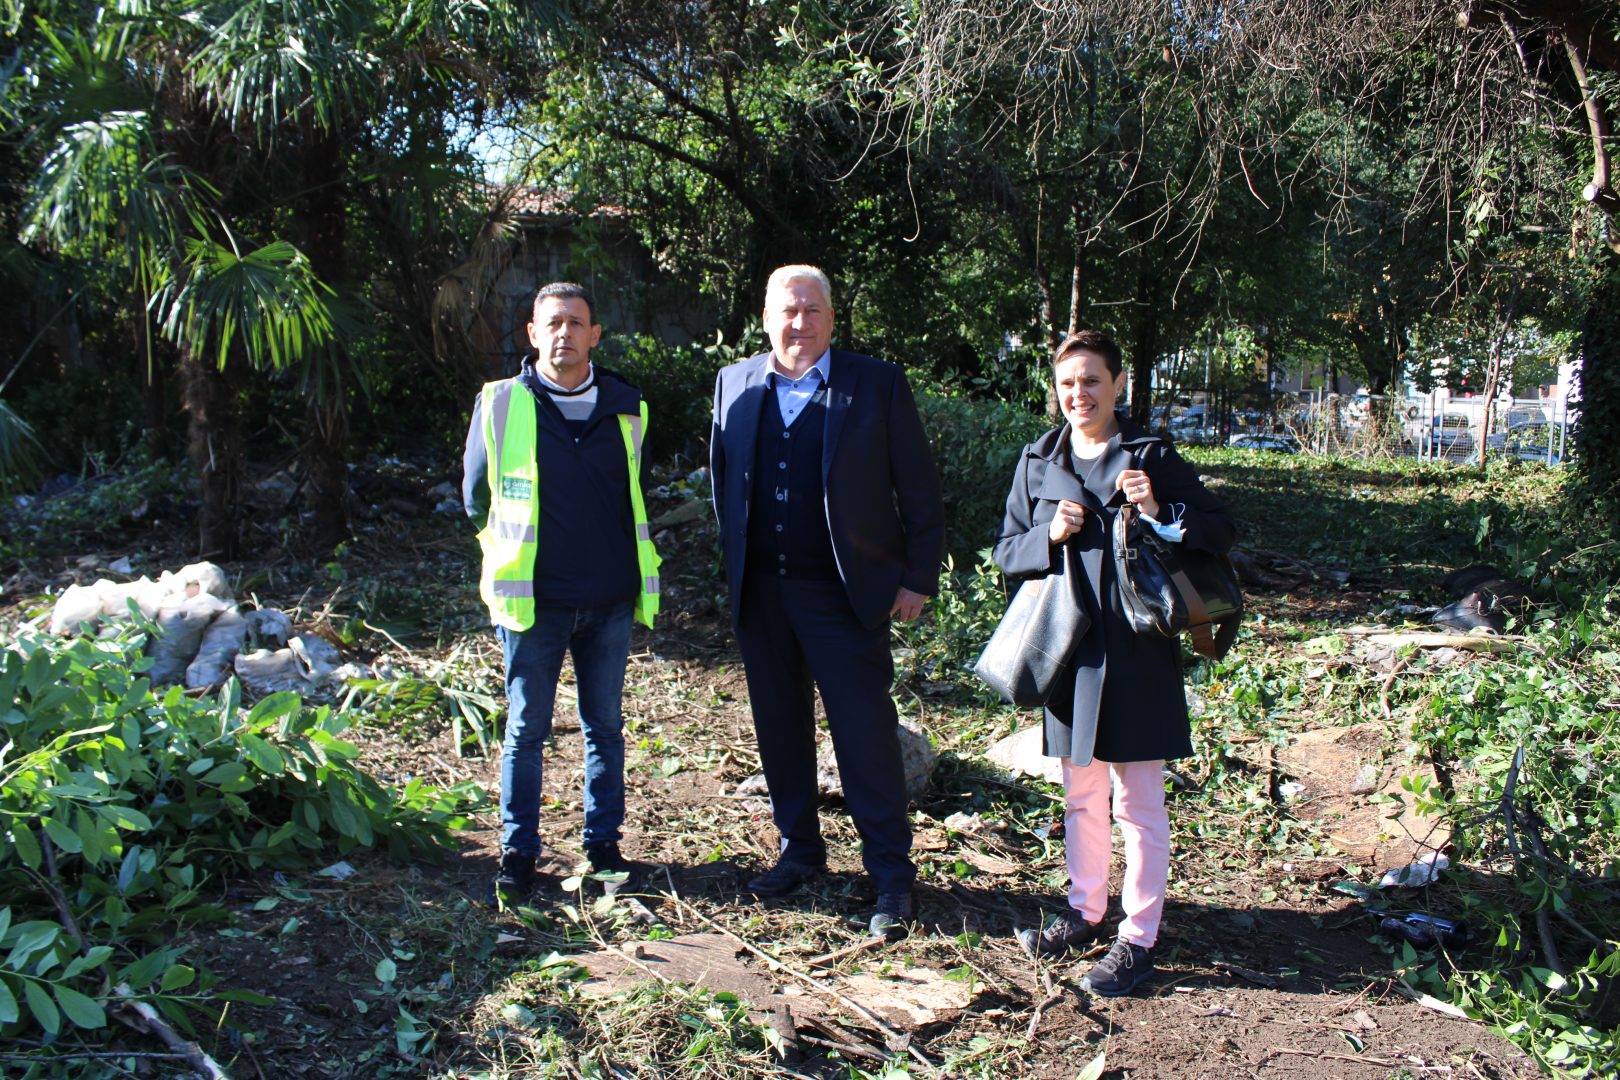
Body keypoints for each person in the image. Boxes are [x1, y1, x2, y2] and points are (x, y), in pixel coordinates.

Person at [993, 330, 1233, 995]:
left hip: (1137, 652)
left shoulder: (1150, 455)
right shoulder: (1038, 460)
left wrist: (1157, 509)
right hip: (1069, 654)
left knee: (1139, 805)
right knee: (1080, 797)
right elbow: (1005, 553)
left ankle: (1139, 937)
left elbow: (1220, 529)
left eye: (1092, 380)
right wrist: (1049, 534)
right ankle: (1084, 910)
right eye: (1068, 383)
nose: (1079, 394)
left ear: (1119, 384)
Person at [710, 264, 945, 938]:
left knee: (865, 737)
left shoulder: (876, 386)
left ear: (832, 317)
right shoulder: (734, 385)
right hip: (762, 594)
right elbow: (727, 485)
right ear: (765, 317)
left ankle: (893, 878)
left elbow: (920, 492)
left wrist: (916, 578)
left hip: (843, 596)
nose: (799, 324)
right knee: (779, 730)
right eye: (787, 311)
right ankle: (800, 851)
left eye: (812, 311)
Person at [462, 282, 661, 900]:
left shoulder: (630, 407)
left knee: (604, 724)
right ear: (532, 332)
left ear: (595, 335)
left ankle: (603, 846)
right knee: (527, 729)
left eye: (577, 323)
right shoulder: (498, 403)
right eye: (553, 323)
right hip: (534, 601)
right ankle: (518, 852)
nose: (565, 334)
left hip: (609, 601)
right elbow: (474, 497)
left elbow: (637, 491)